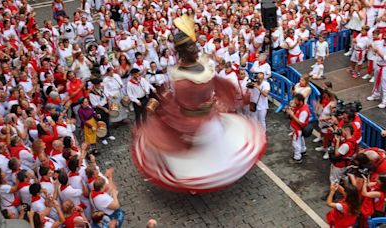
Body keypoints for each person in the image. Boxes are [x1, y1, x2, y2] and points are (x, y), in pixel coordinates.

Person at [131, 14, 267, 193]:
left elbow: (218, 84)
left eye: (194, 46)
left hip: (208, 115)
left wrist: (232, 96)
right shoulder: (181, 80)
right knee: (198, 152)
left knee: (217, 145)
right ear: (183, 52)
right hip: (194, 119)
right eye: (191, 47)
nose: (195, 50)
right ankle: (194, 181)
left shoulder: (198, 69)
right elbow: (183, 99)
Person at [89, 78, 116, 145]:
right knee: (101, 123)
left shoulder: (102, 88)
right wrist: (104, 109)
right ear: (94, 85)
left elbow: (107, 96)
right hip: (99, 109)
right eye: (98, 84)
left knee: (107, 121)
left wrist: (109, 105)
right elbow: (95, 104)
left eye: (99, 84)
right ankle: (102, 137)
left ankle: (108, 134)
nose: (99, 85)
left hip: (105, 105)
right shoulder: (91, 93)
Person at [286, 93, 310, 164]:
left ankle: (297, 157)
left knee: (296, 143)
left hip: (297, 130)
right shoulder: (300, 106)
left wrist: (292, 114)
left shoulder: (304, 111)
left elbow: (301, 123)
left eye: (295, 100)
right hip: (296, 129)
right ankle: (303, 150)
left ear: (300, 101)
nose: (294, 101)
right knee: (301, 140)